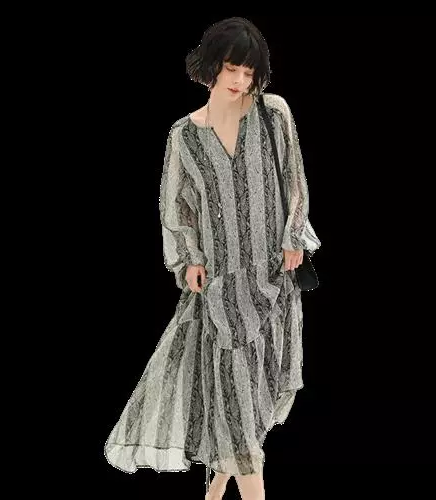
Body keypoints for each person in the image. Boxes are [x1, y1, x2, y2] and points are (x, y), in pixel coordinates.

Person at [104, 16, 321, 500]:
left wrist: (294, 236)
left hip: (274, 283)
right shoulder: (185, 135)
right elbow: (176, 206)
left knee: (251, 402)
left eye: (249, 72)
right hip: (222, 293)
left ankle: (215, 488)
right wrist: (188, 259)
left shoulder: (273, 114)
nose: (240, 81)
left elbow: (295, 180)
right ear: (211, 67)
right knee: (238, 406)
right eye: (231, 69)